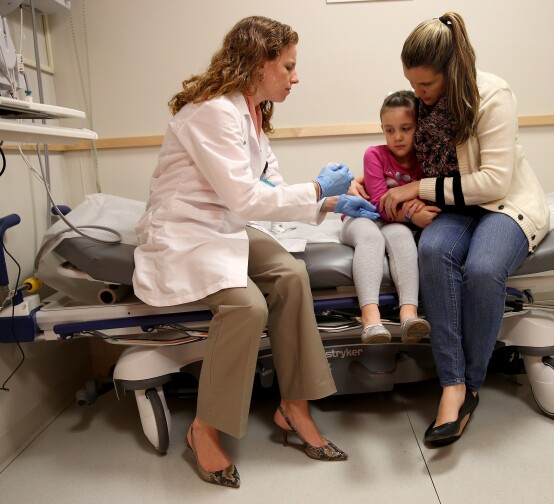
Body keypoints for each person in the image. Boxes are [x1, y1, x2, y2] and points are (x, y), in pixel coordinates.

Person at [132, 16, 378, 488]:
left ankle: (295, 406)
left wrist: (328, 201)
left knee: (289, 274)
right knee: (246, 305)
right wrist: (315, 188)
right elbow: (246, 198)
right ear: (257, 63)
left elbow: (272, 189)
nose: (295, 76)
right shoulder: (211, 112)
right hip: (186, 232)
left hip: (226, 226)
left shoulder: (253, 112)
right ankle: (205, 428)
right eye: (287, 66)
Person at [378, 12, 550, 447]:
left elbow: (493, 180)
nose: (418, 95)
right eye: (411, 84)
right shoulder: (425, 102)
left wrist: (418, 187)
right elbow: (398, 152)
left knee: (484, 268)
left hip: (503, 205)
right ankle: (451, 382)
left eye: (425, 86)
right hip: (453, 206)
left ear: (451, 70)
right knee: (433, 253)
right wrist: (377, 182)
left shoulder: (493, 95)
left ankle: (470, 385)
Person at [340, 91, 437, 344]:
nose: (398, 137)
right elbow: (380, 203)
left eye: (406, 129)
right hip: (361, 215)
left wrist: (419, 203)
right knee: (372, 238)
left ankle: (409, 315)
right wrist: (411, 212)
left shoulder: (424, 159)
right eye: (390, 130)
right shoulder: (374, 154)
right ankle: (371, 319)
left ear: (419, 127)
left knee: (403, 237)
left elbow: (430, 194)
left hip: (395, 222)